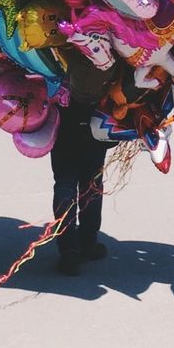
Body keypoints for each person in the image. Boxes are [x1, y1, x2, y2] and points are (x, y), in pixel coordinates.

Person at [50, 99, 109, 275]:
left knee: (66, 183)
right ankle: (87, 243)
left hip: (63, 116)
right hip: (95, 113)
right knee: (91, 182)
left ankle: (69, 251)